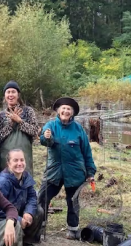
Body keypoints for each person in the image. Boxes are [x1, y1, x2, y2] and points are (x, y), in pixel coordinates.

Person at [39, 97, 96, 240]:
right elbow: (45, 142)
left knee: (73, 201)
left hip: (75, 171)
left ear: (72, 113)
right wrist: (46, 137)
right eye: (63, 108)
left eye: (68, 109)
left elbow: (86, 151)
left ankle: (73, 229)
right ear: (58, 110)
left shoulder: (78, 129)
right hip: (54, 170)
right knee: (42, 197)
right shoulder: (50, 126)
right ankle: (39, 225)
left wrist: (90, 172)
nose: (65, 111)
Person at [0, 149, 44, 246]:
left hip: (19, 210)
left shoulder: (26, 176)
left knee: (38, 211)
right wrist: (19, 219)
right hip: (4, 217)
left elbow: (32, 196)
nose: (19, 163)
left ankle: (28, 241)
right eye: (15, 160)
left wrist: (28, 212)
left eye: (22, 160)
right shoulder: (2, 182)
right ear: (8, 163)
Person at [0, 81, 39, 174]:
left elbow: (35, 131)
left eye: (13, 92)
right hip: (6, 157)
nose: (10, 94)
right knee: (6, 183)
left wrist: (20, 121)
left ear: (18, 95)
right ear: (5, 95)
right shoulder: (1, 115)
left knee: (24, 183)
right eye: (8, 92)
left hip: (24, 157)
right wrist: (11, 124)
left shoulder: (28, 111)